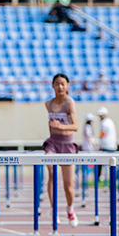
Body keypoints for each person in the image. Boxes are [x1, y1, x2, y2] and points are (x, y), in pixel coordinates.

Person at [41, 74, 80, 227]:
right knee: (51, 171)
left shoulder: (70, 103)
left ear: (68, 86)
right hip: (53, 143)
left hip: (68, 144)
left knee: (68, 185)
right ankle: (54, 210)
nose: (60, 87)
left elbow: (75, 126)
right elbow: (49, 124)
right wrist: (52, 134)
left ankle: (70, 209)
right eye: (57, 84)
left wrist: (61, 126)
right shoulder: (48, 104)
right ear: (52, 86)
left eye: (63, 84)